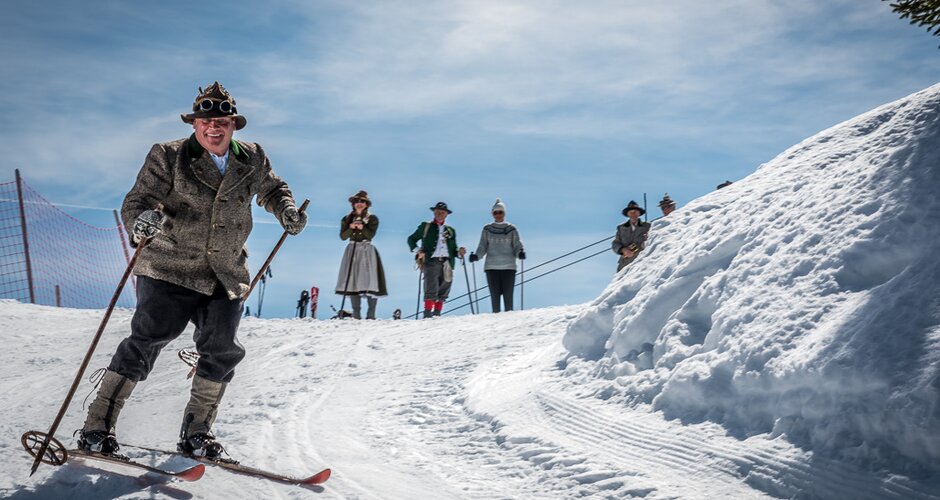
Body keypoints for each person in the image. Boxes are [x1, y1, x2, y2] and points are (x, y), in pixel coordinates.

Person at [78, 82, 307, 460]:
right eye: (205, 121)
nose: (212, 128)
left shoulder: (251, 157)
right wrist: (142, 222)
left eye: (221, 121)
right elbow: (138, 201)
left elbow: (272, 188)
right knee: (148, 339)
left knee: (221, 349)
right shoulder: (169, 155)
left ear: (234, 125)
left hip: (224, 270)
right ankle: (96, 427)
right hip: (169, 266)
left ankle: (197, 433)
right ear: (194, 124)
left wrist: (286, 209)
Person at [407, 202, 466, 318]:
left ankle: (437, 315)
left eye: (442, 212)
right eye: (438, 212)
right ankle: (428, 314)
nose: (440, 214)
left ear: (446, 215)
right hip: (431, 261)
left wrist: (459, 252)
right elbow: (411, 239)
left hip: (447, 262)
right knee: (431, 286)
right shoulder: (426, 226)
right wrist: (418, 250)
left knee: (445, 286)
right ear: (434, 212)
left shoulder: (451, 230)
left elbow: (454, 249)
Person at [335, 190, 388, 319]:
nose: (359, 203)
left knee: (370, 281)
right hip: (352, 249)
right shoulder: (347, 219)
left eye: (362, 201)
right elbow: (343, 236)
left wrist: (362, 228)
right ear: (353, 204)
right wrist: (351, 228)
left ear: (366, 204)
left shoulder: (372, 219)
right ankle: (356, 314)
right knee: (352, 280)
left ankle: (371, 315)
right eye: (357, 201)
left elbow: (370, 235)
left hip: (366, 249)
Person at [469, 198, 525, 313]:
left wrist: (520, 253)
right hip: (492, 267)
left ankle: (509, 320)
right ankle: (495, 321)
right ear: (492, 214)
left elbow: (517, 245)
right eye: (495, 212)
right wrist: (476, 256)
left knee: (508, 296)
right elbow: (482, 246)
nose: (498, 215)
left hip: (509, 267)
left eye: (500, 212)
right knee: (495, 297)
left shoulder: (511, 229)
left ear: (504, 213)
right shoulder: (487, 229)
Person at [612, 200, 650, 272]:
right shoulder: (621, 228)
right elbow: (615, 244)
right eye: (631, 212)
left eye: (635, 212)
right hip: (625, 265)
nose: (633, 214)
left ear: (639, 213)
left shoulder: (648, 226)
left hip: (642, 263)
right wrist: (623, 250)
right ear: (628, 214)